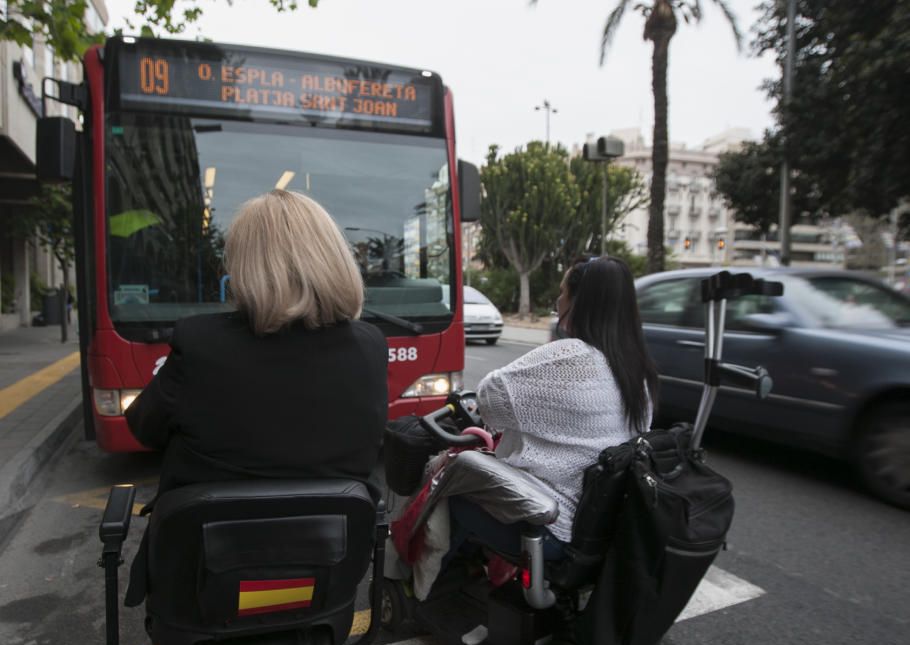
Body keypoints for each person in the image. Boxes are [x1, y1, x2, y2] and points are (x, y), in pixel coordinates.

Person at [123, 189, 388, 606]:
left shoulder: (200, 342)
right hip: (325, 581)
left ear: (244, 267)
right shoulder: (371, 345)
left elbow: (144, 428)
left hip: (201, 588)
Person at [448, 255, 659, 559]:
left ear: (581, 301)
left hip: (553, 529)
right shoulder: (639, 369)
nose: (558, 302)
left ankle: (427, 588)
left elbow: (490, 398)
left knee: (451, 492)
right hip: (606, 527)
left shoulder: (568, 356)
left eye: (563, 293)